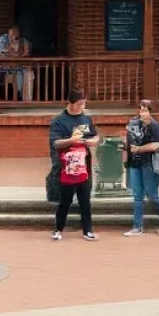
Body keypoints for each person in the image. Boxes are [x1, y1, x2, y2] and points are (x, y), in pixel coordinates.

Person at [49, 89, 99, 241]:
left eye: (84, 103)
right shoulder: (59, 121)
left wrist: (94, 141)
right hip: (66, 167)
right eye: (79, 103)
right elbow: (56, 143)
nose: (82, 106)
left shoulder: (86, 120)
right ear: (70, 103)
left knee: (85, 200)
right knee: (65, 201)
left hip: (83, 167)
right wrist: (72, 140)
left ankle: (88, 230)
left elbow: (95, 135)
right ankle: (58, 229)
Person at [121, 99, 159, 237]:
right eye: (141, 109)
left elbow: (156, 145)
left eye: (145, 110)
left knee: (152, 195)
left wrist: (139, 149)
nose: (142, 113)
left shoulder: (155, 126)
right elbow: (130, 141)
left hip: (150, 164)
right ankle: (137, 226)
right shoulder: (134, 123)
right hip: (135, 164)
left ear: (151, 112)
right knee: (137, 196)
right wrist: (125, 149)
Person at [0, 24, 32, 100]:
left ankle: (24, 98)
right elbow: (0, 53)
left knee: (26, 74)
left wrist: (14, 54)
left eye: (13, 35)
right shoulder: (4, 41)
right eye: (9, 35)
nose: (11, 37)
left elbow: (26, 54)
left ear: (17, 35)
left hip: (20, 67)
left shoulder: (24, 42)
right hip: (7, 67)